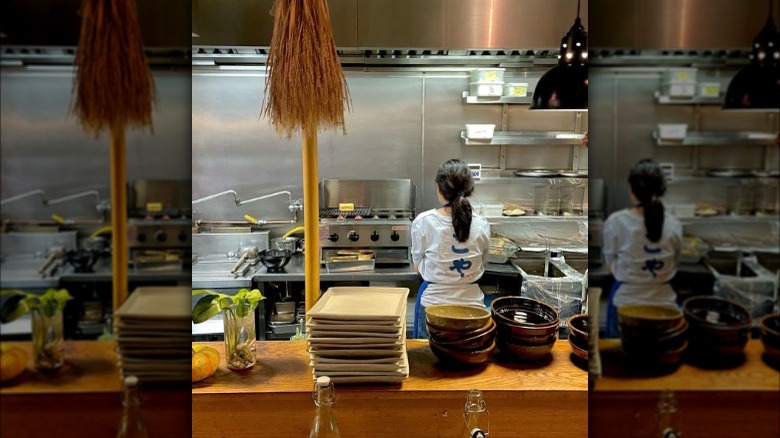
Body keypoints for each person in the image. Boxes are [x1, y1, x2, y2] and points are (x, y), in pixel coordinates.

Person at [411, 159, 491, 339]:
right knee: (467, 363)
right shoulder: (482, 224)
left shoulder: (423, 222)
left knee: (428, 361)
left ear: (439, 189)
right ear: (469, 189)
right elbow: (483, 263)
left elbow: (417, 266)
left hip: (433, 307)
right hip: (473, 309)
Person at [602, 159, 682, 338]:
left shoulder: (616, 222)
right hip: (666, 309)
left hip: (625, 307)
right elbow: (675, 264)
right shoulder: (674, 224)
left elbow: (609, 266)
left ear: (631, 189)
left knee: (621, 361)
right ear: (662, 189)